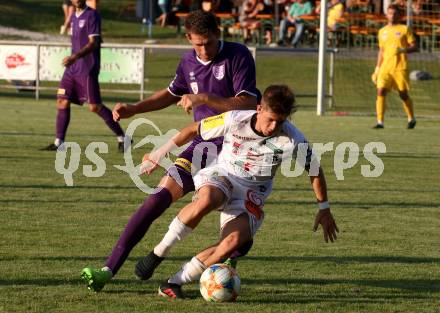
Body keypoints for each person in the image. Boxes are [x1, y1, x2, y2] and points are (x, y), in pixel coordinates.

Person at [80, 10, 258, 292]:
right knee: (156, 200)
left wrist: (204, 98)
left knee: (237, 234)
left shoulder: (238, 55)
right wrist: (134, 109)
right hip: (202, 147)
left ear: (218, 34)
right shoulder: (188, 62)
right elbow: (171, 93)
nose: (204, 49)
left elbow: (248, 104)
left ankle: (214, 265)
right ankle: (107, 270)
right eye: (198, 43)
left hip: (237, 152)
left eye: (209, 42)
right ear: (188, 38)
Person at [133, 85, 338, 299]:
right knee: (208, 199)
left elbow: (314, 170)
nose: (274, 126)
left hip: (252, 194)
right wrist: (158, 154)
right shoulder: (235, 119)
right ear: (259, 109)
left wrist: (324, 208)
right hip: (223, 175)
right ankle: (159, 252)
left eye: (281, 121)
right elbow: (194, 129)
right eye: (270, 119)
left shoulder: (293, 138)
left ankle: (173, 282)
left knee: (231, 243)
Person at [41, 0, 126, 152]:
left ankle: (123, 138)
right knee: (62, 101)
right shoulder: (73, 16)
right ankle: (58, 142)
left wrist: (75, 56)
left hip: (87, 68)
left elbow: (94, 43)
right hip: (72, 69)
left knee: (95, 107)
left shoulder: (92, 15)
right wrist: (73, 59)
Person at [371, 4, 417, 129]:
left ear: (399, 15)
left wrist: (403, 50)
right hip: (385, 68)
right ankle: (380, 122)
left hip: (400, 67)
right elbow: (381, 51)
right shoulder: (382, 31)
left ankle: (411, 118)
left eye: (394, 13)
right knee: (380, 91)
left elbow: (414, 46)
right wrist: (377, 68)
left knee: (403, 94)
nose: (392, 15)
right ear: (386, 15)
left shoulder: (405, 29)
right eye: (390, 13)